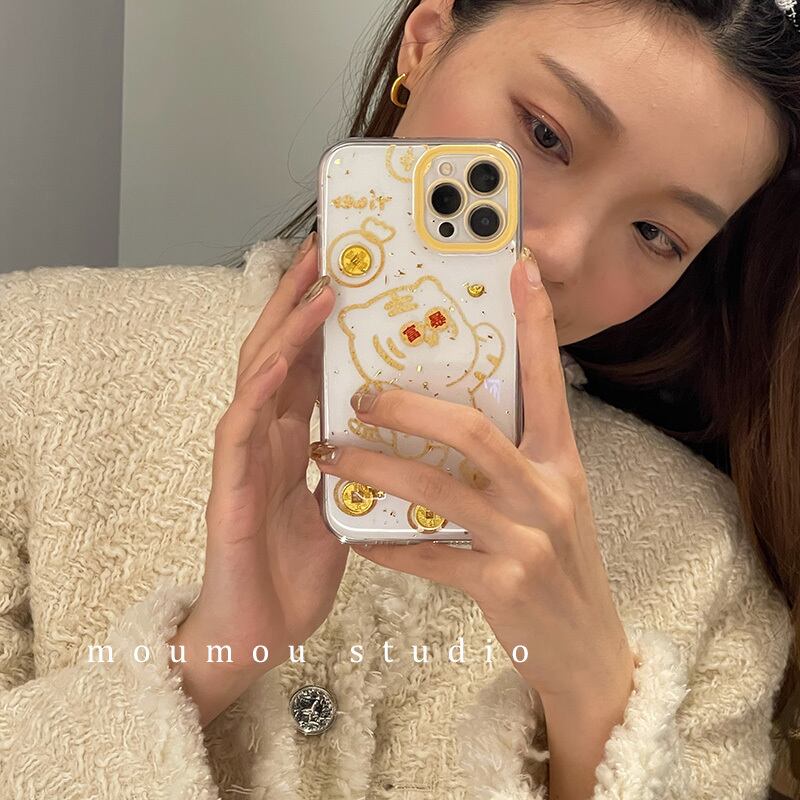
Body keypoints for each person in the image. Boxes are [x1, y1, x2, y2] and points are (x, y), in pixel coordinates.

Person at [2, 0, 799, 798]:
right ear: (424, 42)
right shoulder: (34, 357)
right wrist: (209, 656)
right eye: (546, 134)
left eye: (657, 234)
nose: (559, 252)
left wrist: (592, 705)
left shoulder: (707, 559)